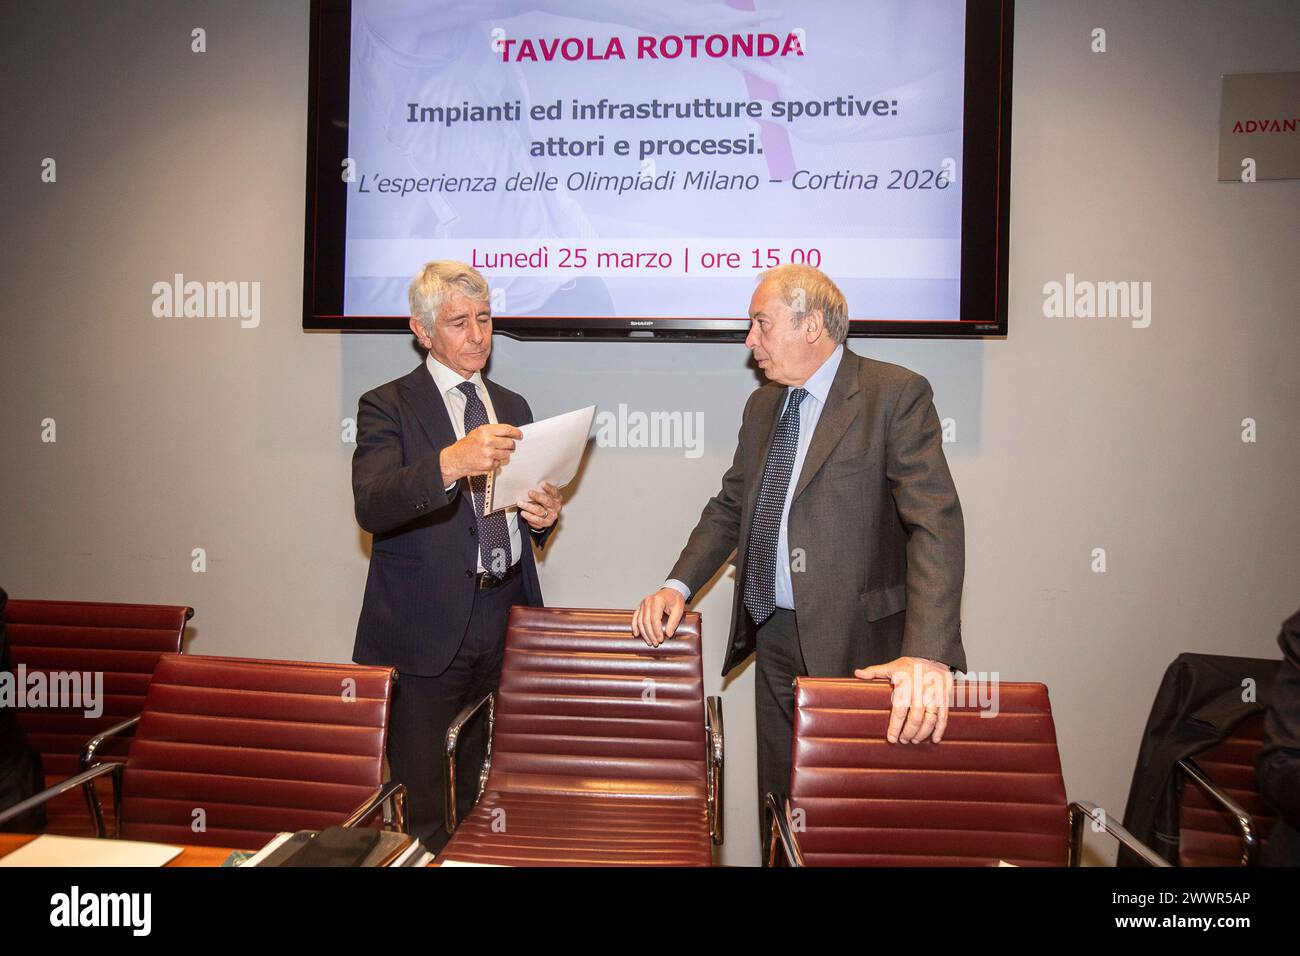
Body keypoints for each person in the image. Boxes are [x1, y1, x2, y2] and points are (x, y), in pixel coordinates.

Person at [631, 264, 966, 853]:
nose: (749, 341)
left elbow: (934, 522)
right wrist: (677, 585)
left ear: (811, 325)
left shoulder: (893, 394)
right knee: (781, 804)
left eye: (760, 323)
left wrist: (927, 654)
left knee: (858, 818)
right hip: (777, 636)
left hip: (869, 649)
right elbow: (732, 507)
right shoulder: (764, 407)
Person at [351, 260, 562, 850]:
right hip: (424, 634)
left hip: (507, 621)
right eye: (459, 322)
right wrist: (452, 461)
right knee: (428, 814)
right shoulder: (386, 405)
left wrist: (542, 518)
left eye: (486, 319)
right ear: (422, 332)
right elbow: (373, 504)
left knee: (499, 801)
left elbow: (523, 505)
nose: (478, 336)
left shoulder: (513, 403)